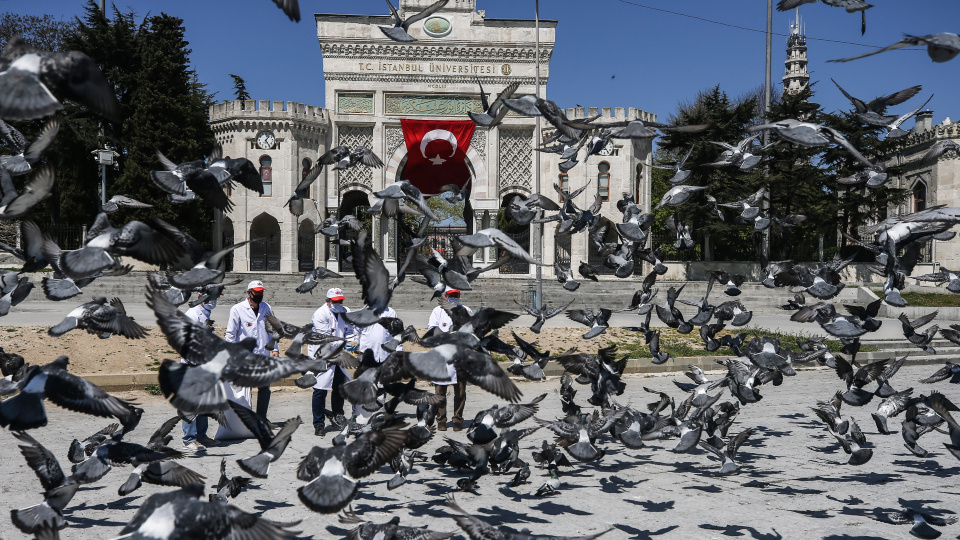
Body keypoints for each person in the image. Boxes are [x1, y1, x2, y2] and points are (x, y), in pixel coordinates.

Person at [224, 280, 279, 425]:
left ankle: (261, 418)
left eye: (261, 292)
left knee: (264, 388)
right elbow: (230, 334)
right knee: (243, 390)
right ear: (249, 293)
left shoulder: (267, 307)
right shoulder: (237, 309)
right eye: (257, 292)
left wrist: (275, 349)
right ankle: (242, 421)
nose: (260, 294)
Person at [308, 287, 355, 436]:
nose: (338, 303)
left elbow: (350, 330)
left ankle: (337, 417)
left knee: (339, 388)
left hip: (338, 355)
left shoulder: (345, 311)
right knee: (320, 390)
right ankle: (319, 424)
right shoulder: (320, 314)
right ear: (327, 301)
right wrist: (344, 343)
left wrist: (352, 342)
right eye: (335, 301)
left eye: (340, 300)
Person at [428, 286, 472, 431]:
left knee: (460, 390)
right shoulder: (437, 311)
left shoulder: (466, 310)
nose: (454, 298)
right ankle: (441, 419)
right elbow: (432, 330)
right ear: (445, 296)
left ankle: (457, 419)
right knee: (440, 390)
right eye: (451, 295)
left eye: (456, 295)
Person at [180, 292, 218, 452]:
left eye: (216, 297)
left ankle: (201, 435)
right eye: (211, 298)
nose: (214, 301)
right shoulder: (192, 314)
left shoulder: (205, 313)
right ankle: (188, 439)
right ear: (201, 296)